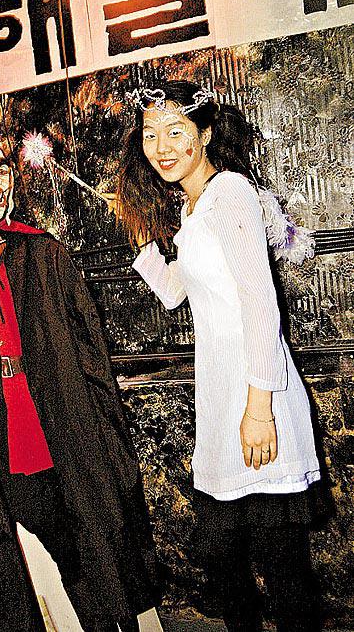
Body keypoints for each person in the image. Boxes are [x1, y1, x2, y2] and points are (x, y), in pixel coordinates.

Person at [0, 137, 159, 632]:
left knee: (86, 542)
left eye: (0, 169)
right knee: (0, 554)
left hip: (54, 419)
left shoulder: (42, 249)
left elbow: (86, 343)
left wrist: (102, 421)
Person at [112, 81, 324, 632]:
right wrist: (141, 235)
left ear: (204, 134)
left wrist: (260, 411)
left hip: (258, 395)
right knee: (220, 555)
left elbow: (261, 305)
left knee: (282, 569)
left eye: (175, 131)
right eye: (150, 134)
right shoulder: (193, 206)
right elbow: (175, 292)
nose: (161, 146)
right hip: (222, 398)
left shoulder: (230, 193)